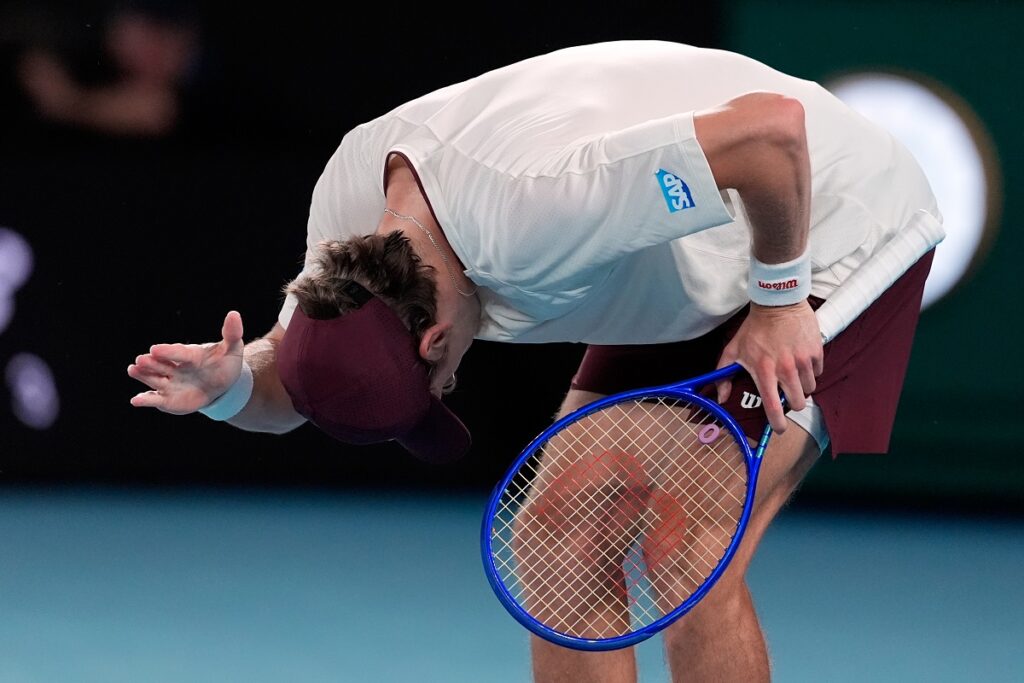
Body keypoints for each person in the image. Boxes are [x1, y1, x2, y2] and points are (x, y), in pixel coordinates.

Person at [127, 40, 944, 682]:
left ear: (437, 342)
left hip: (826, 223)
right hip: (686, 253)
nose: (449, 388)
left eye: (437, 388)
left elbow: (773, 134)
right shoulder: (353, 228)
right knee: (553, 537)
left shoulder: (544, 206)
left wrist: (776, 298)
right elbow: (293, 380)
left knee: (687, 545)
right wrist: (235, 386)